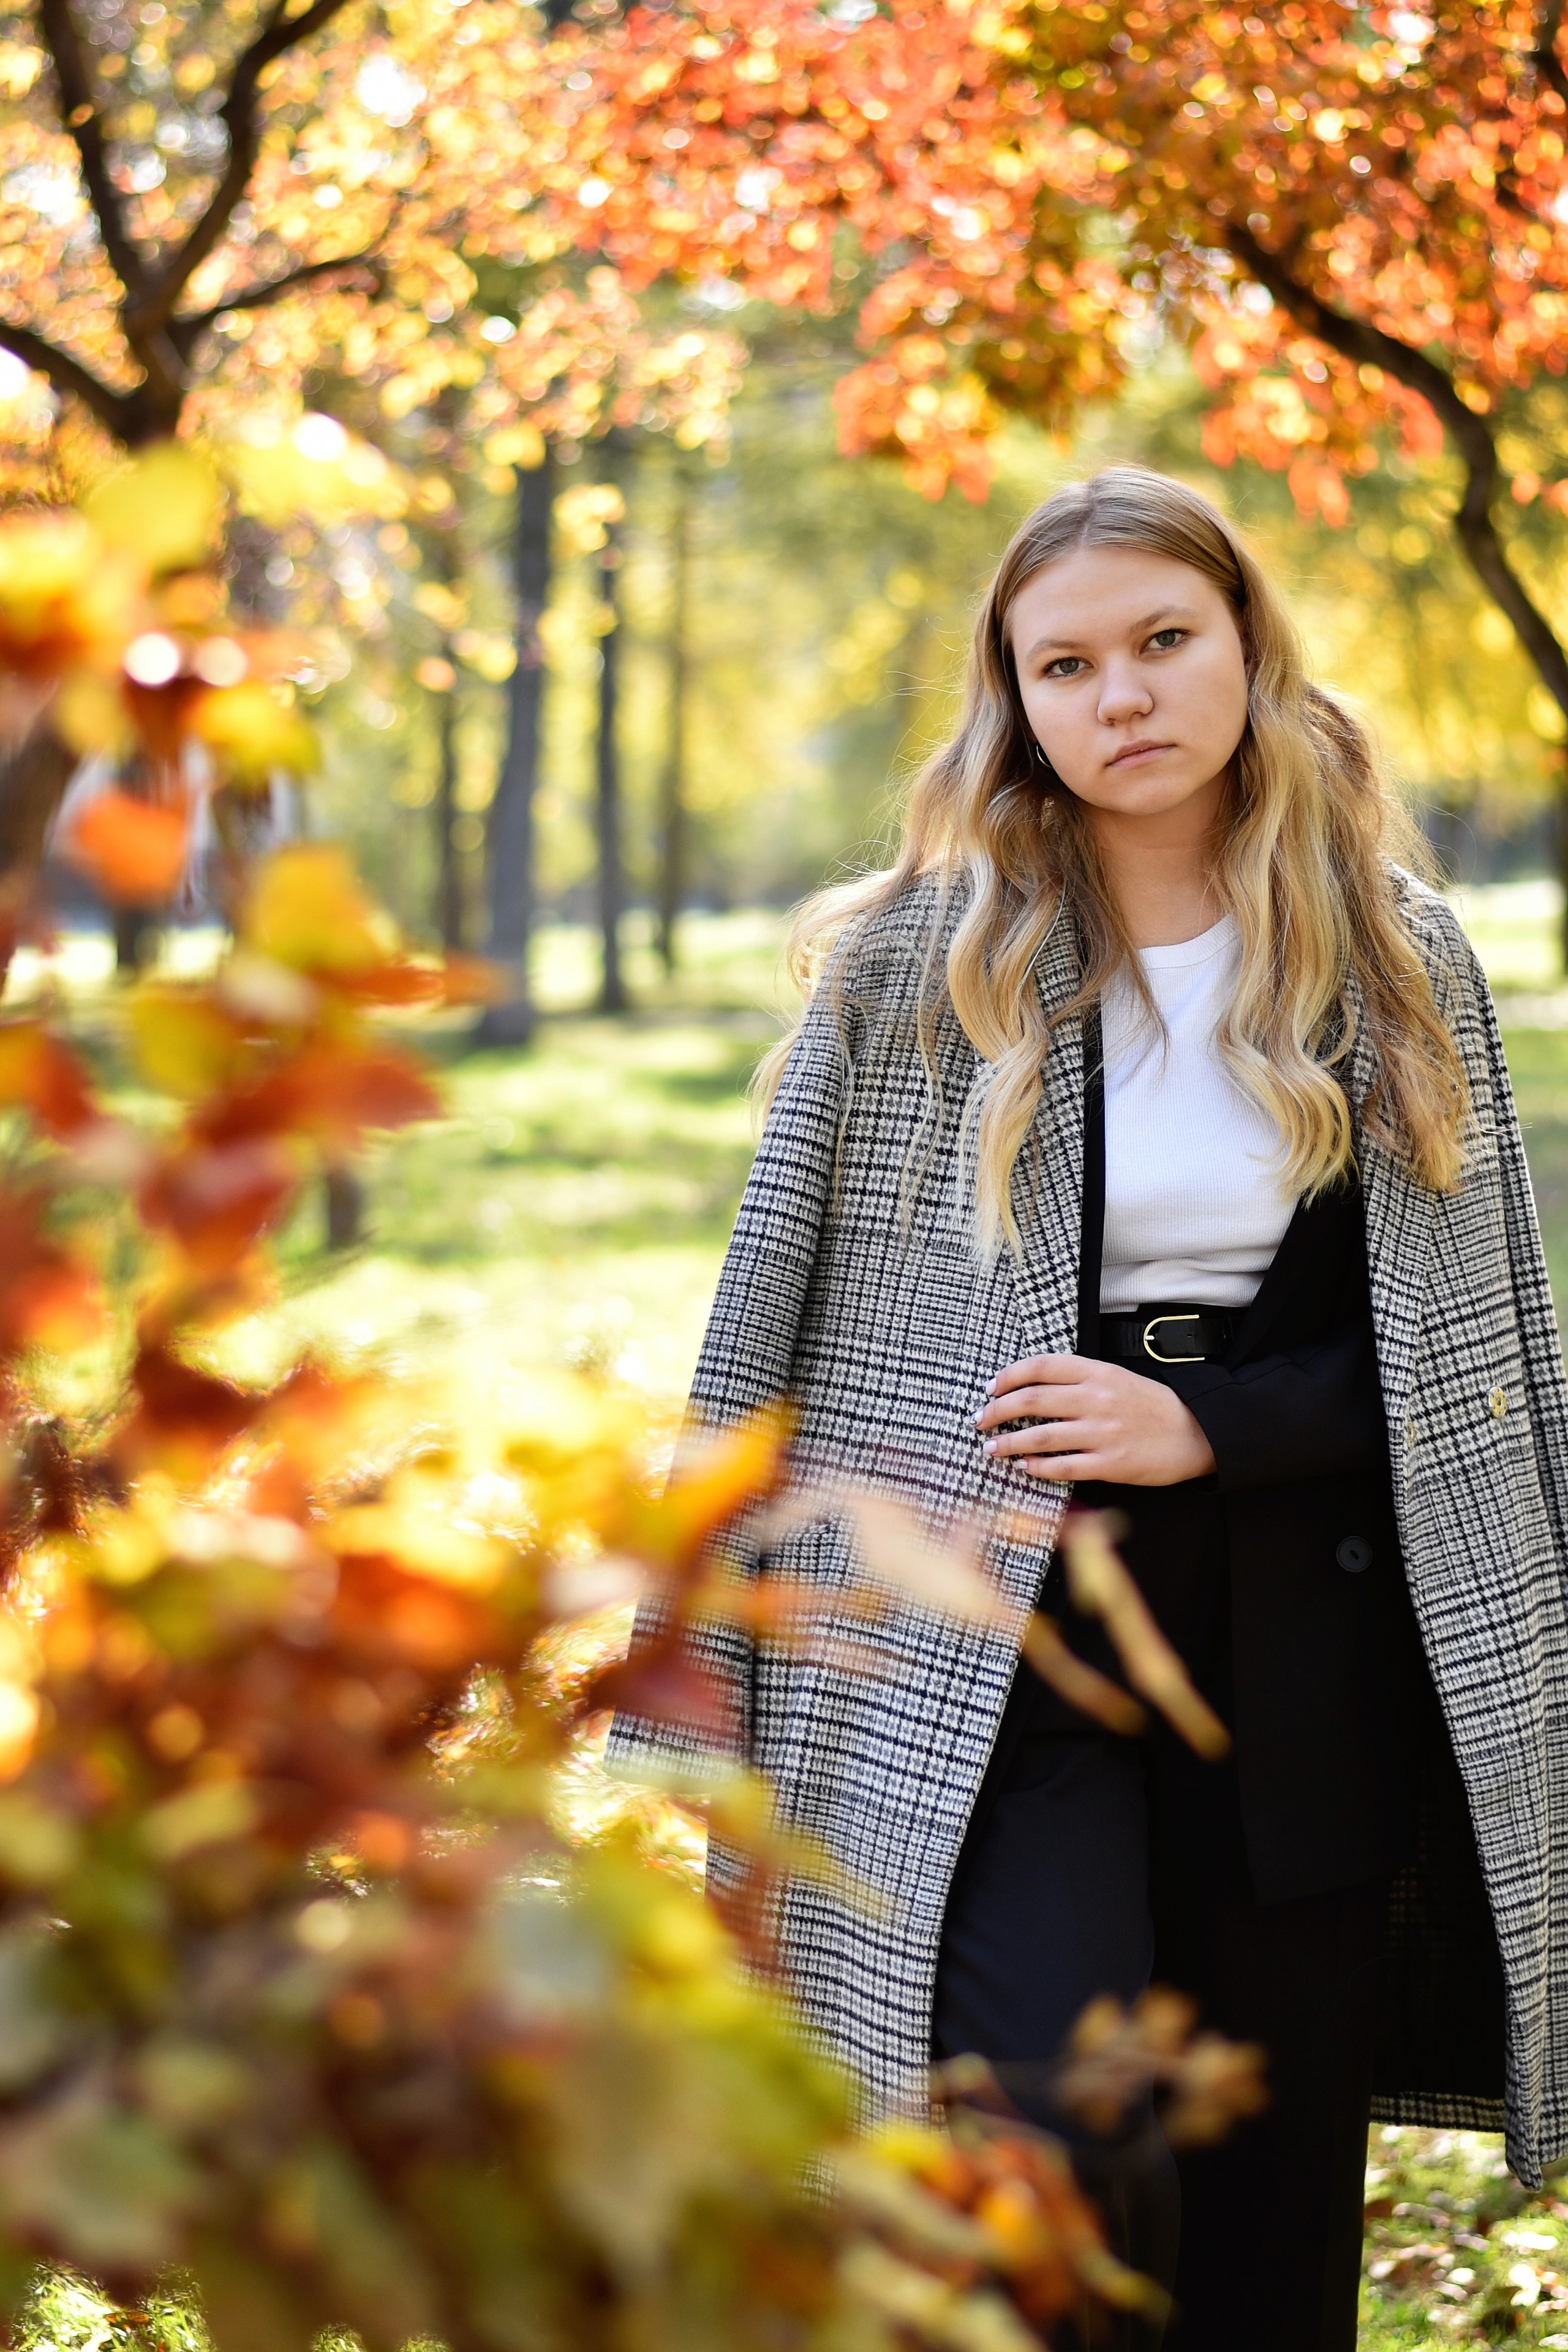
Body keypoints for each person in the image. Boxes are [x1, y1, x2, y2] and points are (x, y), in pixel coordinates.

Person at [608, 469, 1568, 2349]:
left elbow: (1481, 1358)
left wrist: (1215, 1426)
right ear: (1015, 696)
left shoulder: (1392, 951)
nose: (1122, 694)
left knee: (1272, 2206)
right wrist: (692, 1644)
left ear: (1244, 651)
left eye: (1162, 642)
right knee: (1046, 2121)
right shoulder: (913, 964)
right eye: (1068, 663)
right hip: (996, 1628)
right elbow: (775, 1318)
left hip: (1305, 1628)